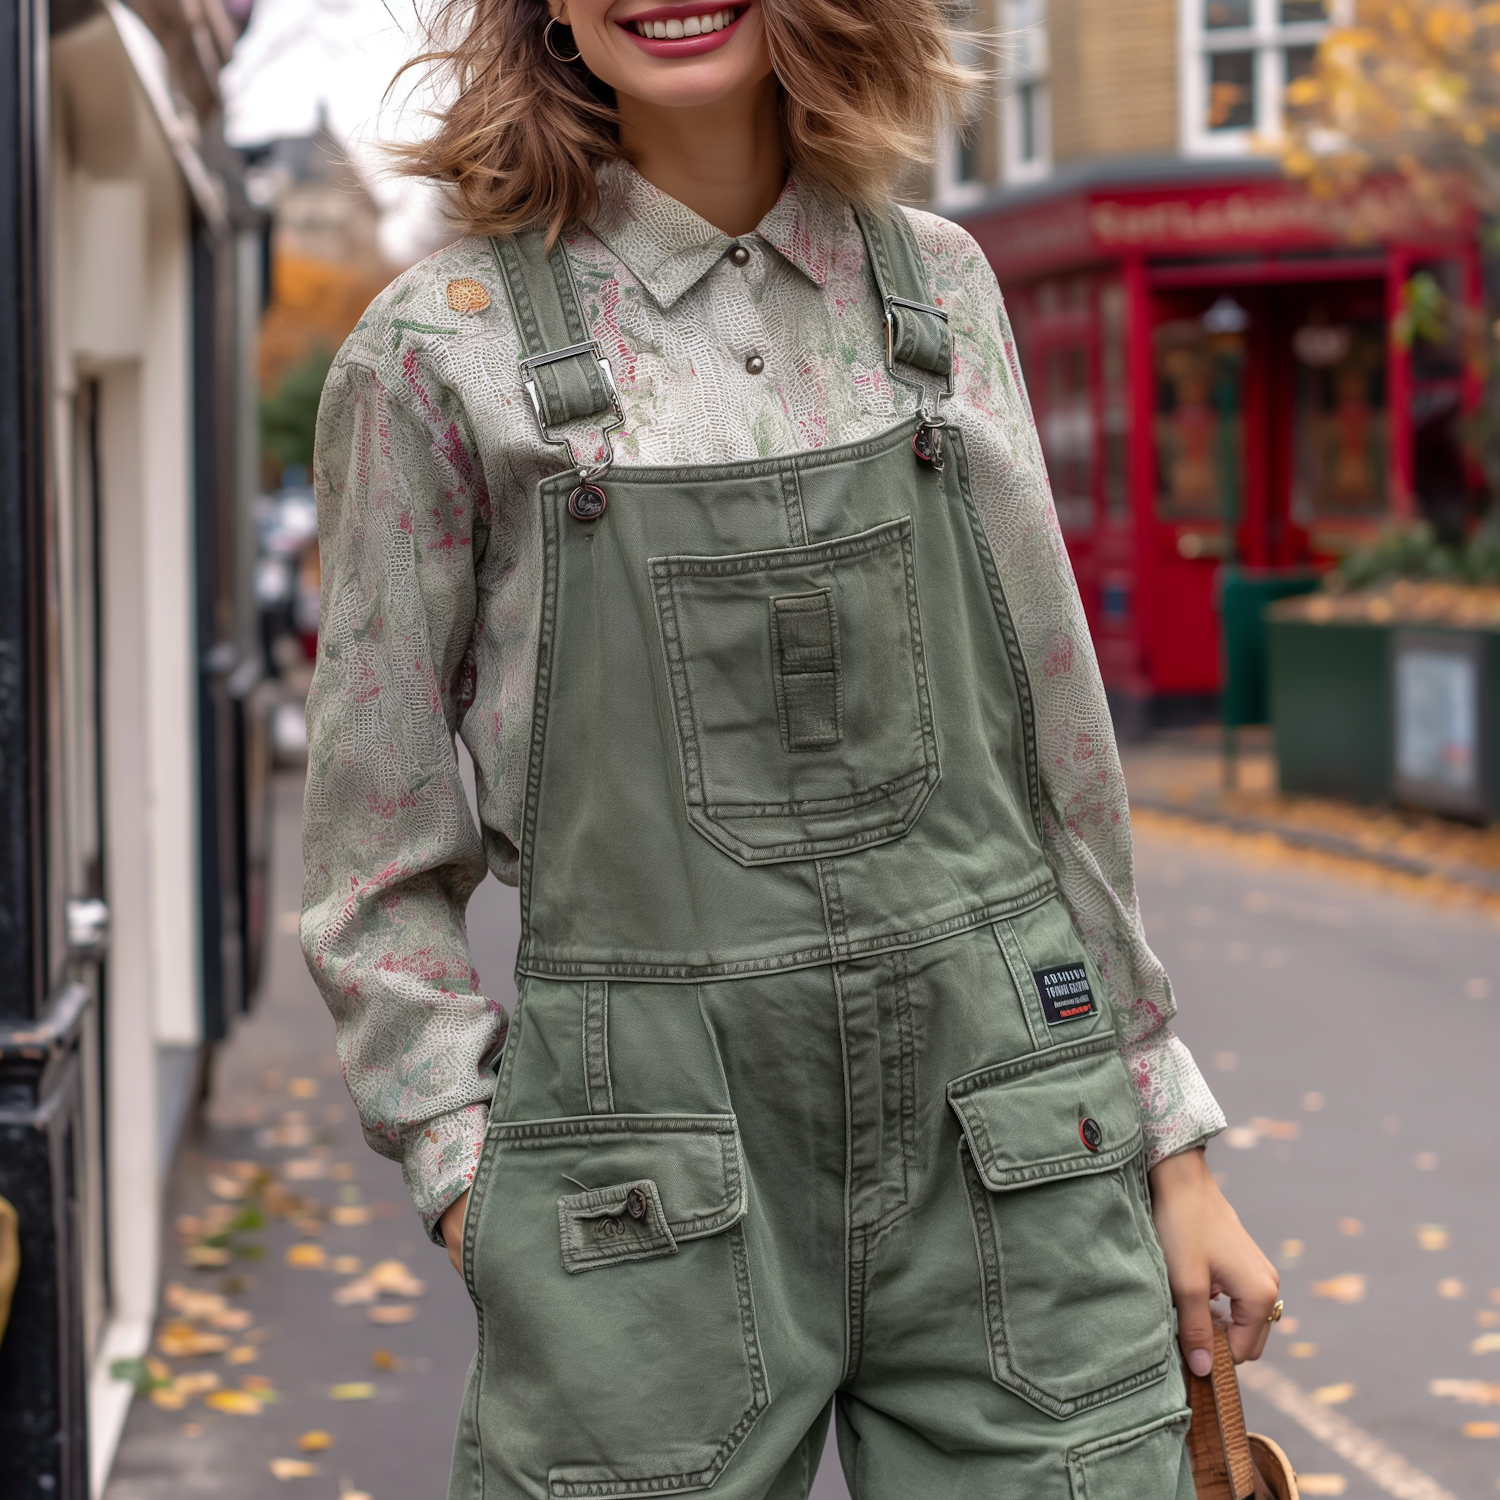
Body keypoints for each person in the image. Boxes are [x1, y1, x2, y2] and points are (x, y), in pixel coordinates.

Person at [301, 0, 1281, 1494]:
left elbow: (1060, 766)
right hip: (638, 1174)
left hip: (1011, 1136)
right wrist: (463, 1170)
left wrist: (1169, 1135)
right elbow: (373, 856)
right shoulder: (441, 356)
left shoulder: (941, 289)